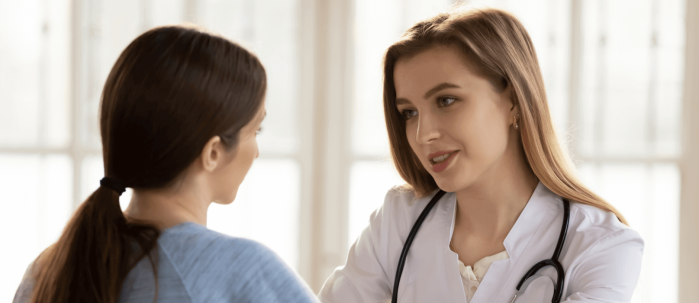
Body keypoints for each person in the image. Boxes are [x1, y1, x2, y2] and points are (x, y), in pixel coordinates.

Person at [319, 8, 643, 303]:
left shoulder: (603, 247)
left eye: (446, 100)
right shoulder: (398, 220)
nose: (422, 134)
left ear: (514, 100)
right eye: (409, 112)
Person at [13, 25, 318, 303]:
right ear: (212, 153)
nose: (256, 151)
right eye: (255, 131)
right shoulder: (243, 270)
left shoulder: (47, 270)